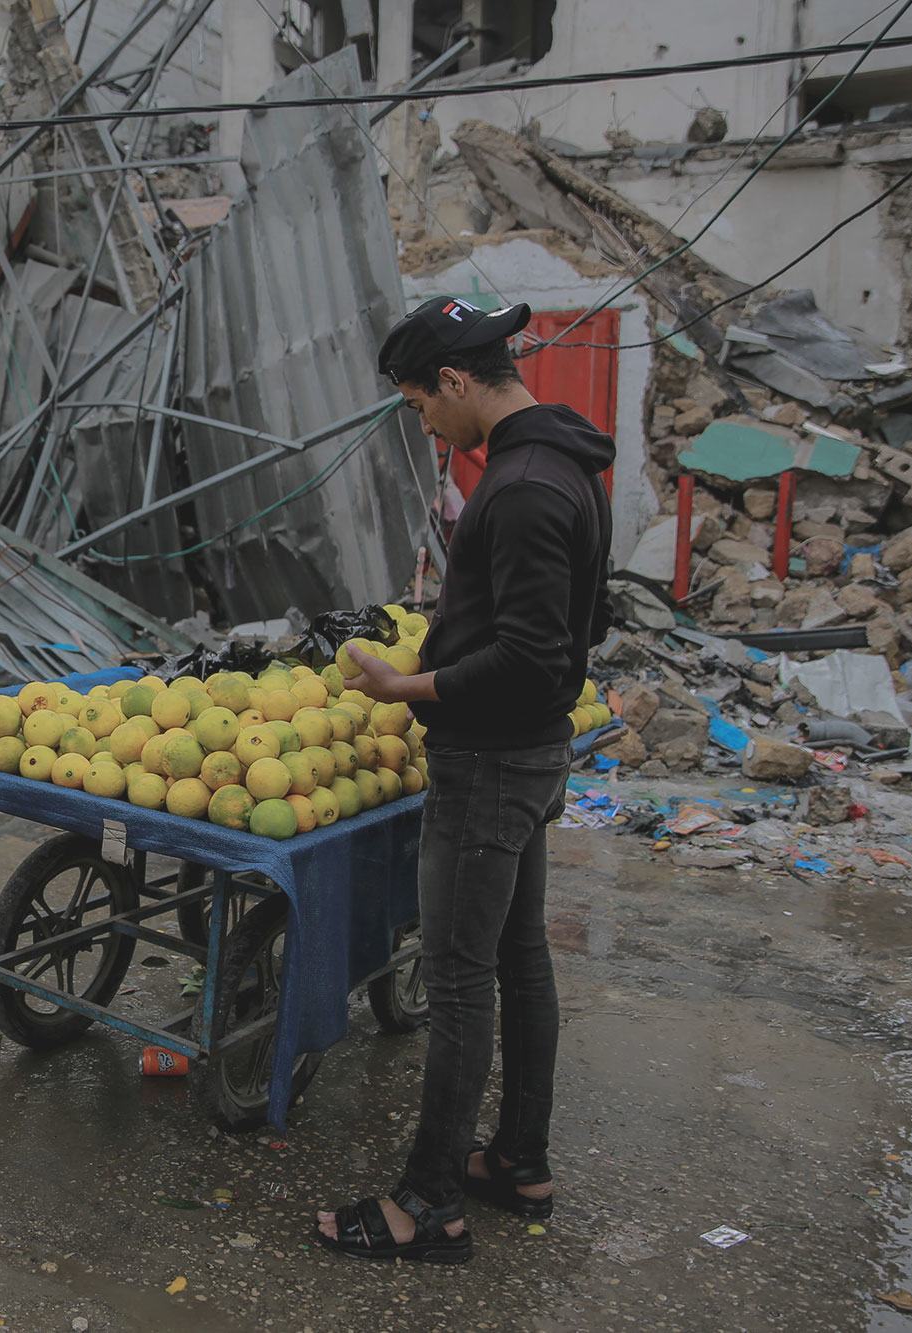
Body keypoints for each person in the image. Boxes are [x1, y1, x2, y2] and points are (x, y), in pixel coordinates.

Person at [315, 297, 613, 1264]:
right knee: (518, 959)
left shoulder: (523, 484)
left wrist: (410, 682)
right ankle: (518, 1159)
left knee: (458, 979)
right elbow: (575, 626)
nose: (423, 425)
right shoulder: (566, 460)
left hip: (490, 763)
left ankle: (427, 1203)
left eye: (416, 404)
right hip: (529, 751)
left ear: (453, 380)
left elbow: (530, 652)